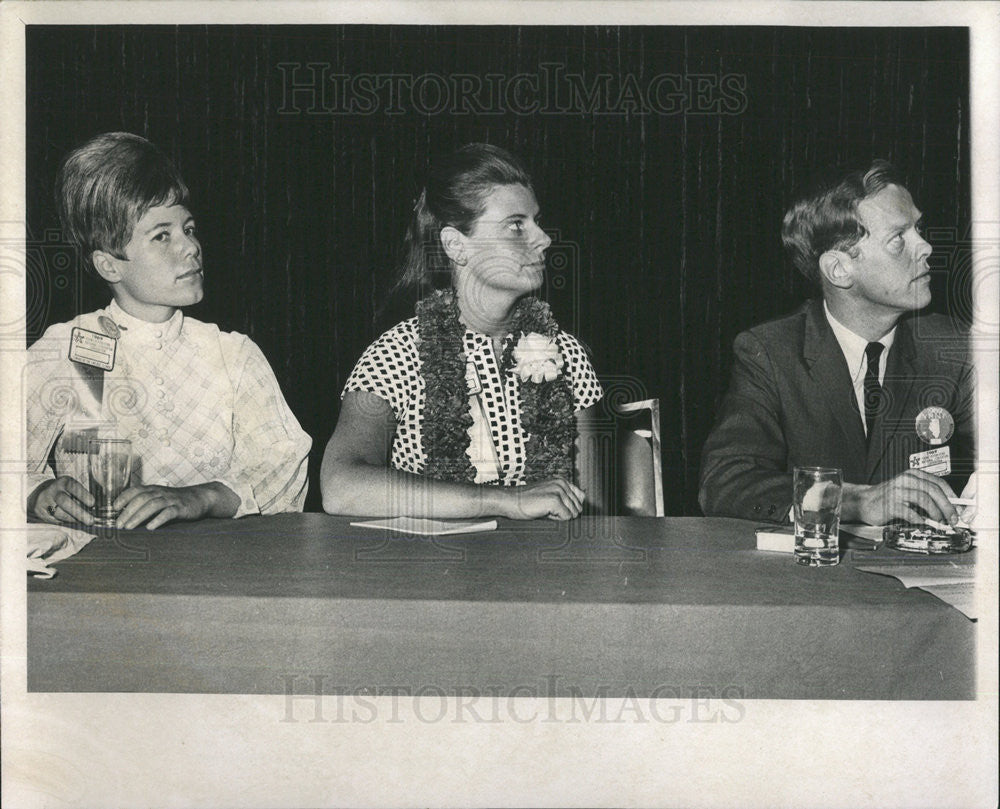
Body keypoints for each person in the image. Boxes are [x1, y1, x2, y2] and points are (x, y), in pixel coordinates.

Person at [26, 132, 312, 529]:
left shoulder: (233, 355)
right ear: (109, 265)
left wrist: (199, 497)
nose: (190, 247)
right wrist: (36, 493)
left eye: (189, 229)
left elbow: (285, 470)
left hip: (217, 573)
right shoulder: (66, 350)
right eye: (162, 235)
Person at [321, 143, 604, 520]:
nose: (544, 238)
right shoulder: (398, 353)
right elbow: (340, 487)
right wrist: (505, 500)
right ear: (456, 245)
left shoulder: (566, 354)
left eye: (537, 220)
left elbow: (594, 510)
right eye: (517, 225)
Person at [699, 160, 974, 526]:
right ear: (840, 269)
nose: (925, 247)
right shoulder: (770, 352)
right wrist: (855, 502)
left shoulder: (954, 345)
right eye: (898, 238)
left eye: (918, 229)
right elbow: (726, 481)